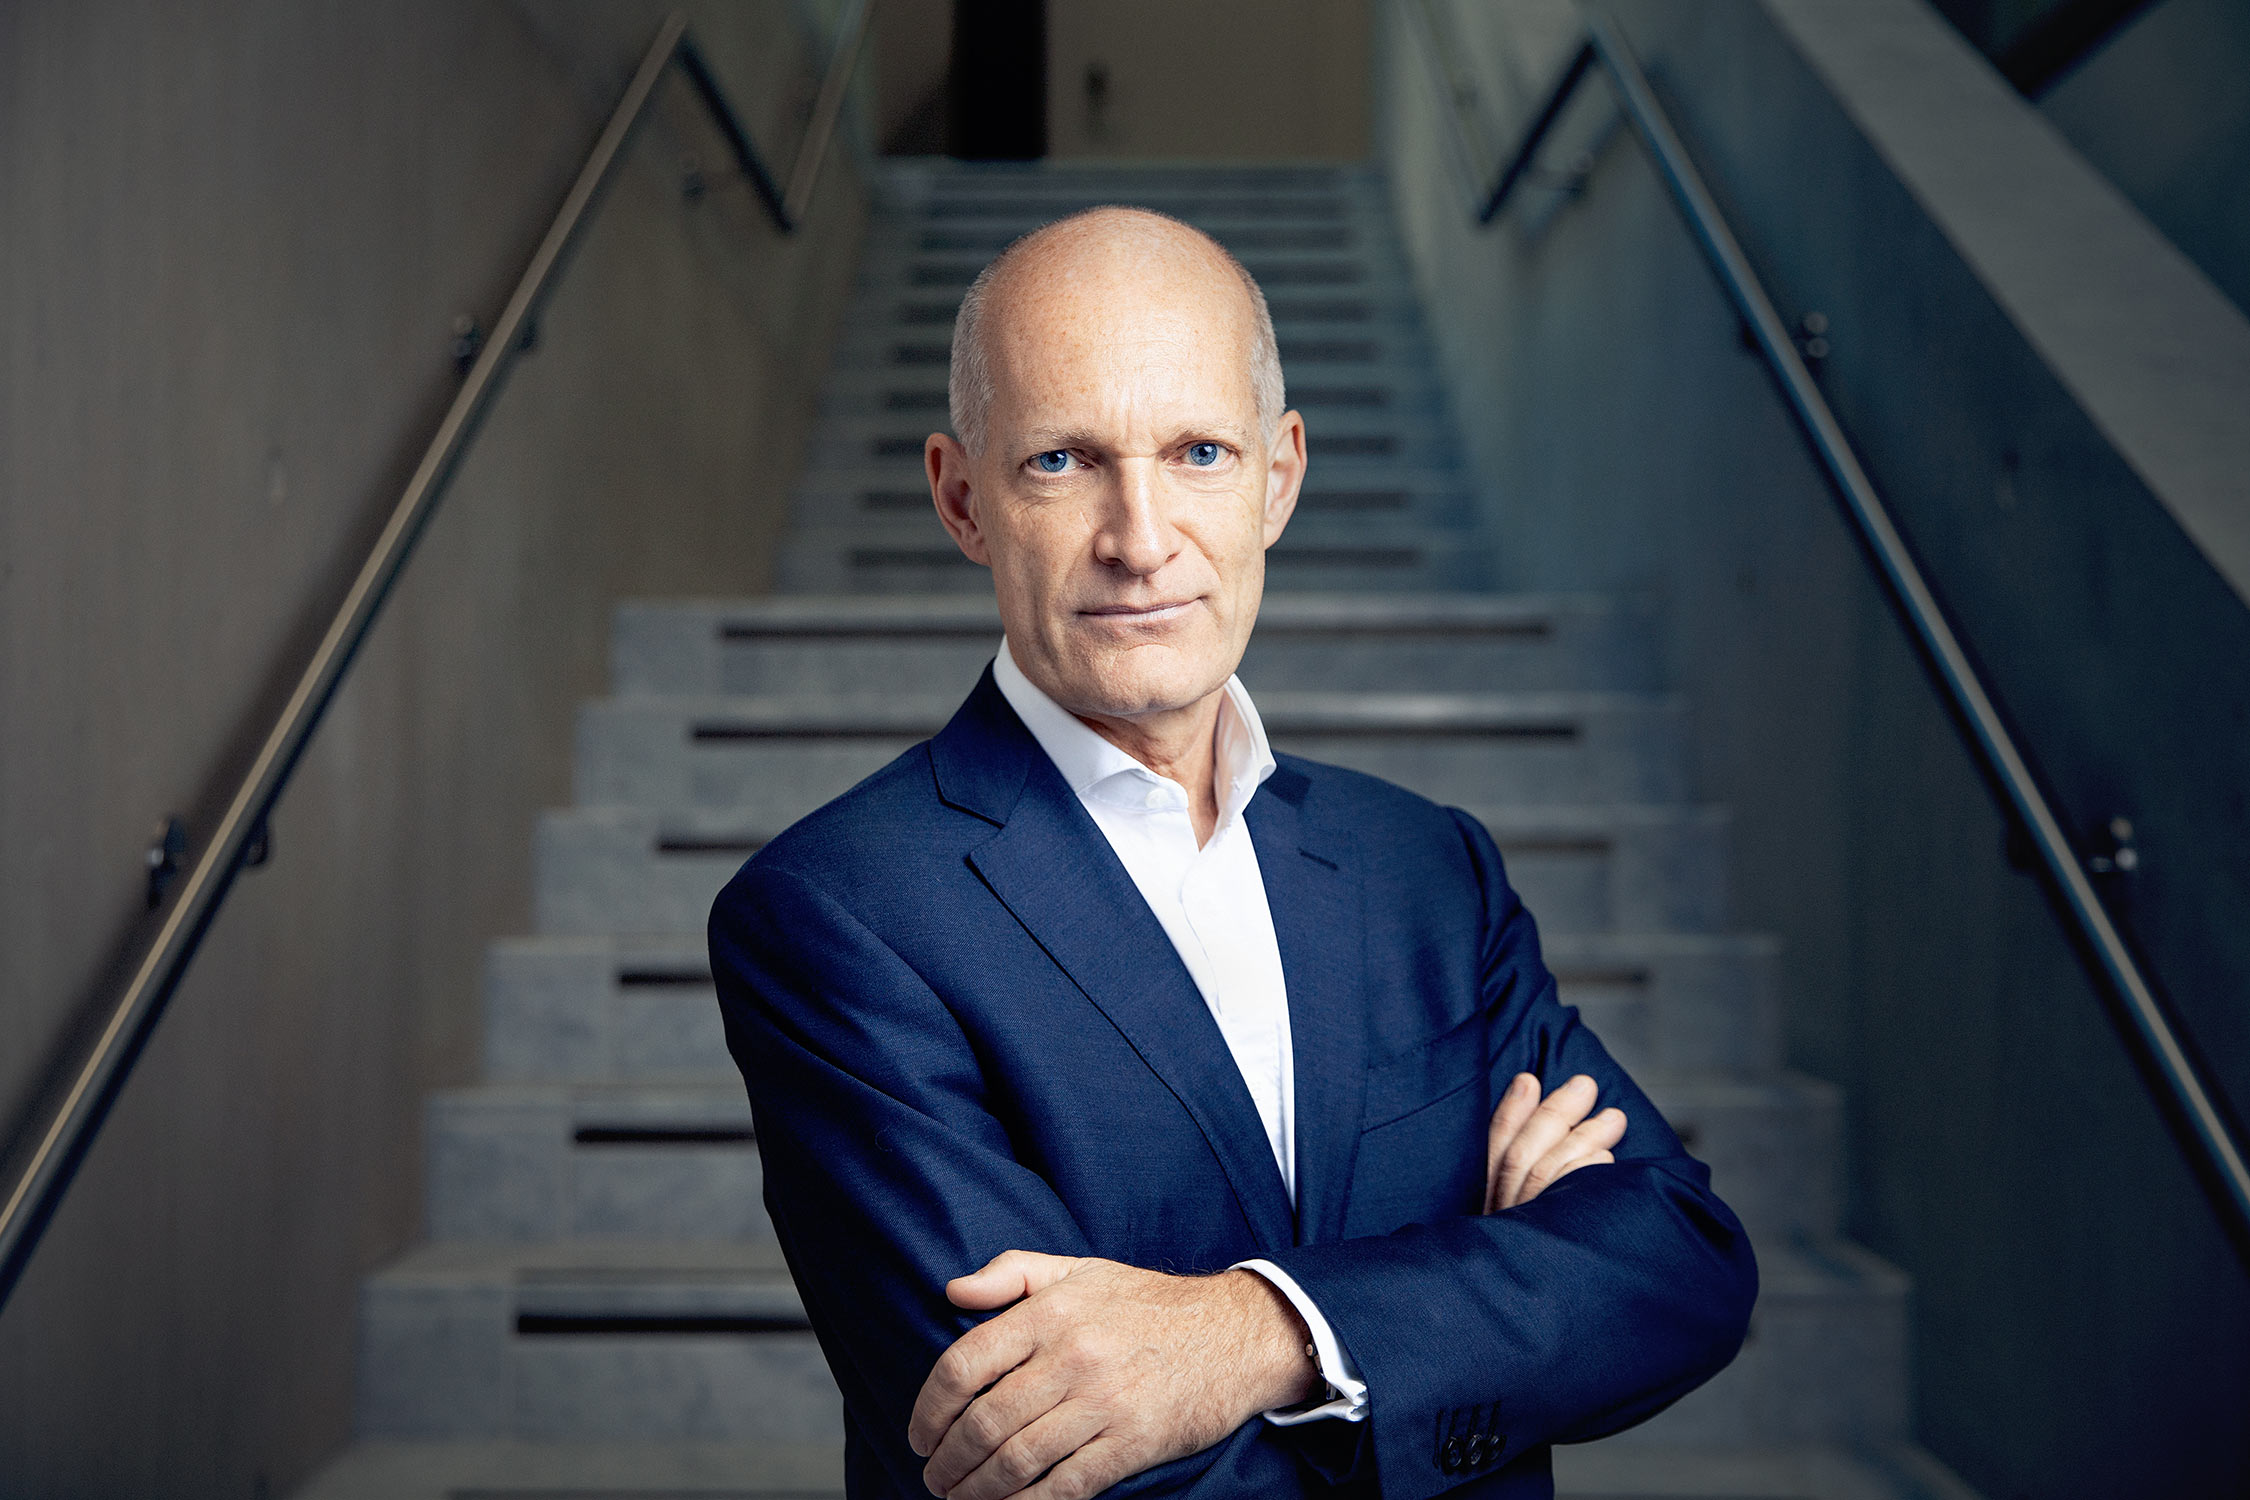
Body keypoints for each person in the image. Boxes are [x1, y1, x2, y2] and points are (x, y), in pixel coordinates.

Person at [710, 207, 1756, 1500]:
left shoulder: (1426, 869)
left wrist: (1260, 1332)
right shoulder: (836, 915)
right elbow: (1038, 1459)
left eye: (1198, 451)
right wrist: (1479, 1291)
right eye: (1059, 462)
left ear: (1278, 476)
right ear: (960, 498)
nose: (1139, 538)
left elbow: (1681, 1265)